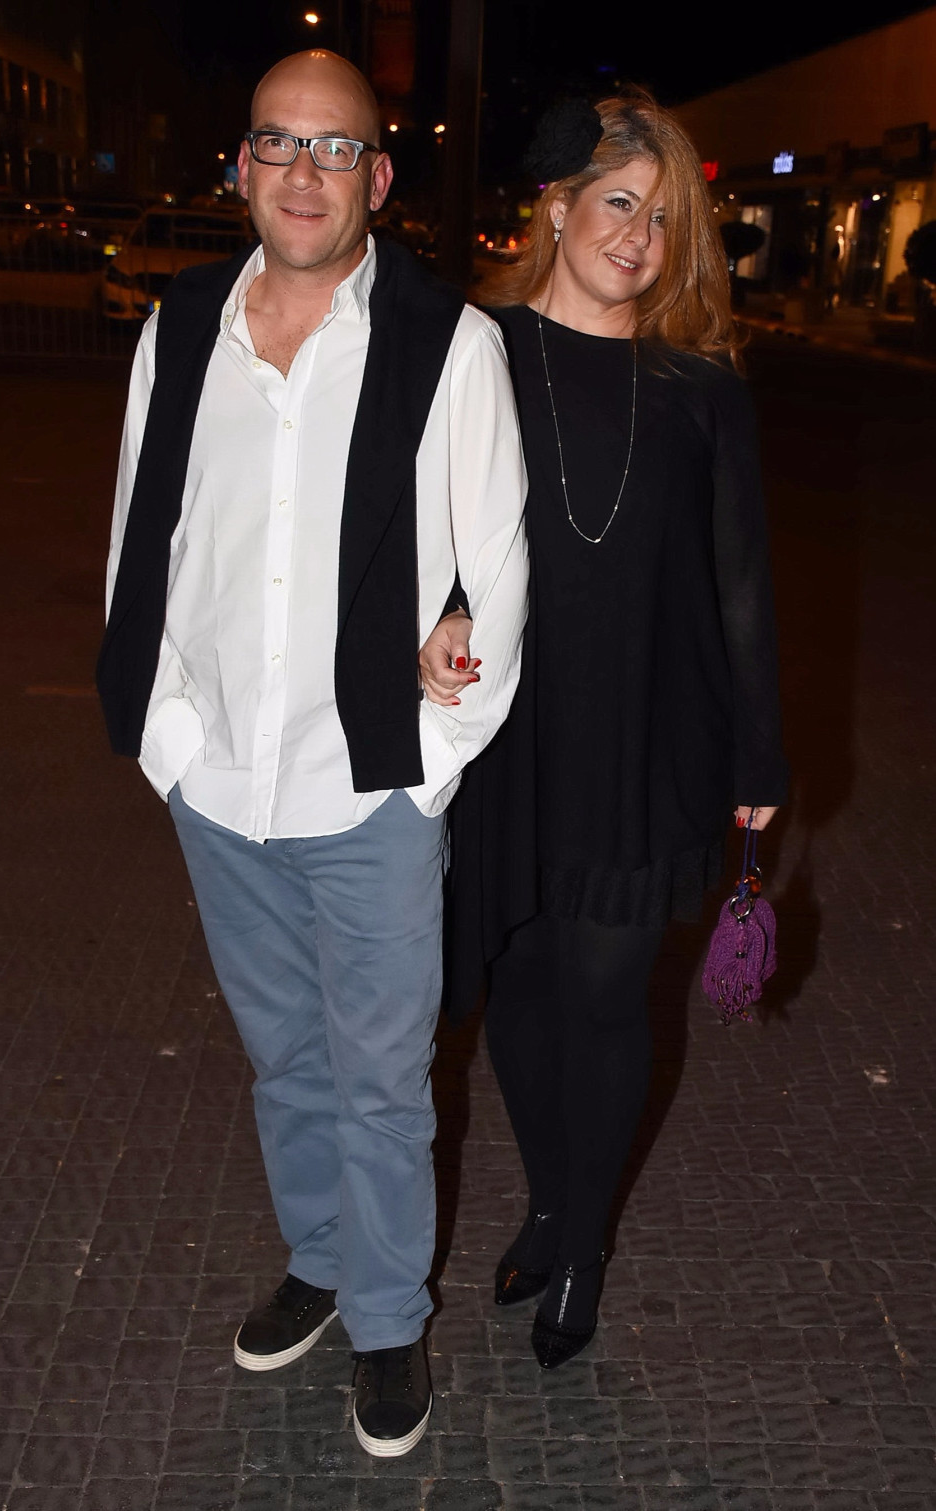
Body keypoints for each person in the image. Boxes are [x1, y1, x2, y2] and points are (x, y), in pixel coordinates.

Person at [97, 50, 527, 1455]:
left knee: (383, 1077)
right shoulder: (180, 328)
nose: (302, 171)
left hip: (368, 788)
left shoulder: (446, 343)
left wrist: (427, 762)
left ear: (377, 178)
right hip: (220, 783)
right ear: (241, 165)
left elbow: (496, 574)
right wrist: (169, 739)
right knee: (284, 1054)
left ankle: (390, 1318)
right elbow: (145, 539)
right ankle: (326, 1259)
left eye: (334, 148)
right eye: (277, 143)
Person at [420, 90, 788, 1370]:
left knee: (604, 992)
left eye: (665, 216)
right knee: (517, 990)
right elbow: (424, 524)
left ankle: (582, 1243)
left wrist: (760, 755)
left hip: (650, 733)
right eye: (619, 201)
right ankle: (550, 1198)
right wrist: (435, 614)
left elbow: (742, 582)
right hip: (512, 733)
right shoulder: (475, 351)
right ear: (557, 207)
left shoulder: (701, 389)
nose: (639, 233)